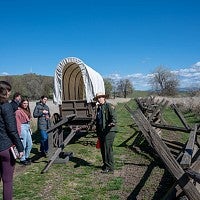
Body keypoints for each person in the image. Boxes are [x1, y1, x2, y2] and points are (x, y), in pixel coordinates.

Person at [0, 81, 24, 200]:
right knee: (7, 181)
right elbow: (12, 130)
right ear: (4, 91)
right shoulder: (6, 106)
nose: (9, 93)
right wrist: (20, 147)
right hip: (5, 147)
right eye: (8, 90)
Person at [94, 92, 117, 173]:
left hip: (109, 131)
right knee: (103, 149)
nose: (99, 99)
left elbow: (113, 116)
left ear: (104, 98)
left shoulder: (109, 106)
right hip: (102, 132)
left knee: (108, 149)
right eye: (98, 98)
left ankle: (110, 168)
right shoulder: (99, 108)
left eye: (101, 97)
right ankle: (105, 164)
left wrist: (112, 122)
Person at [15, 98, 33, 165]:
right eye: (24, 103)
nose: (26, 105)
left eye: (27, 103)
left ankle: (26, 156)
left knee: (30, 144)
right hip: (22, 127)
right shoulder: (18, 111)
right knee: (23, 144)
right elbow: (17, 122)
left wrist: (30, 128)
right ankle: (22, 159)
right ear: (21, 103)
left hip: (27, 126)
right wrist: (19, 132)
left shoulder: (27, 110)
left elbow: (29, 120)